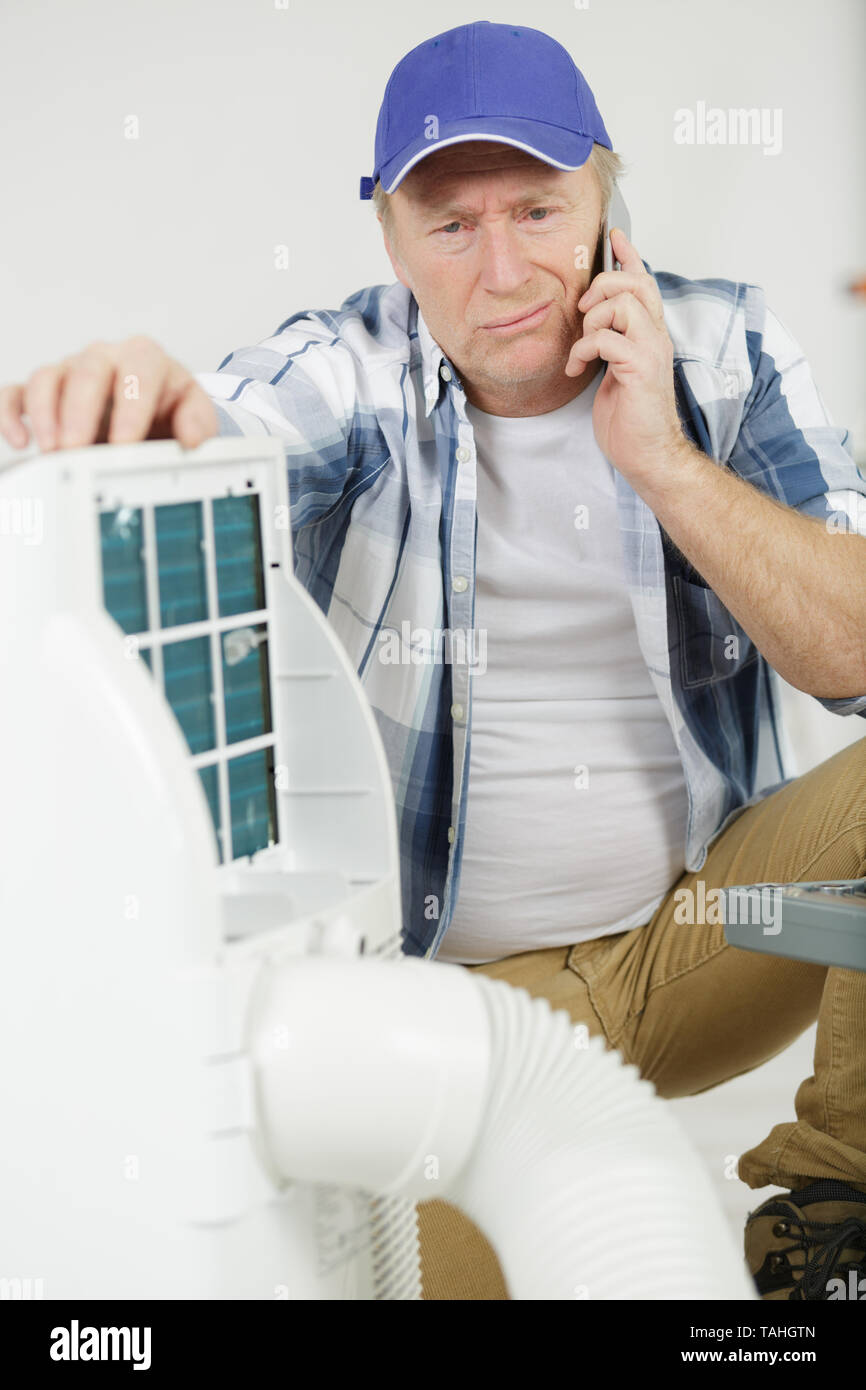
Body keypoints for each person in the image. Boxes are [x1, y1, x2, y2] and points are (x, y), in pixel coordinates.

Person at [2, 20, 865, 1301]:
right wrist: (149, 413)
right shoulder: (353, 371)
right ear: (390, 241)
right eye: (448, 225)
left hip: (711, 941)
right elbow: (227, 431)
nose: (501, 268)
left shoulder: (722, 349)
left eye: (534, 207)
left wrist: (661, 462)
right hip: (455, 1024)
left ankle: (827, 1229)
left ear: (602, 200)